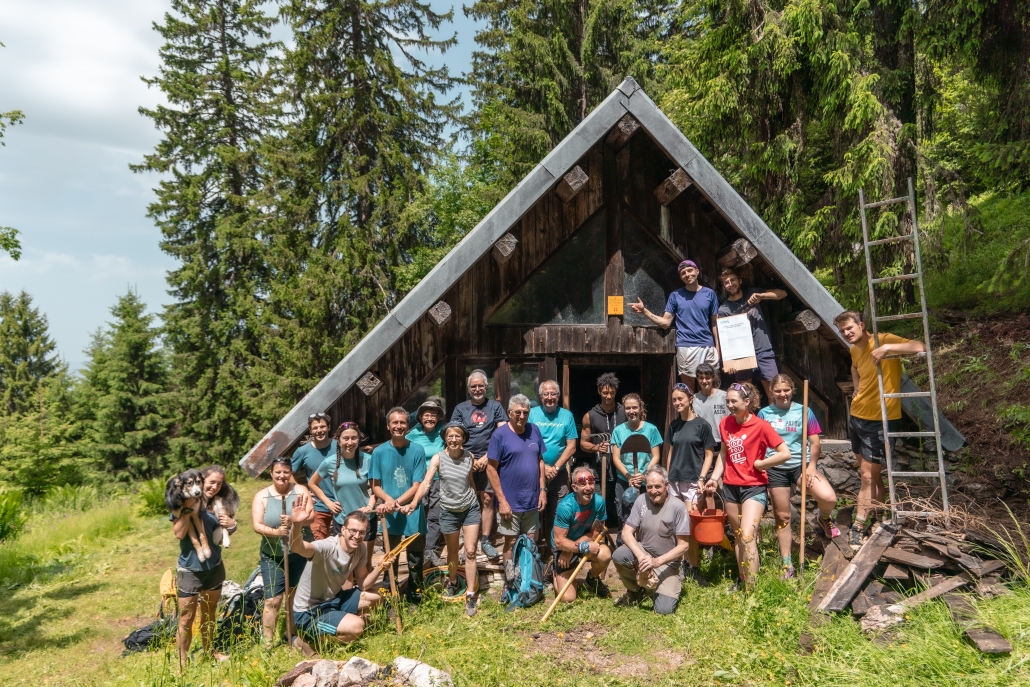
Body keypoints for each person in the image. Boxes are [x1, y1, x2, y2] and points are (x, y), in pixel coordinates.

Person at [834, 310, 926, 546]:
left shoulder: (883, 340)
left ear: (861, 325)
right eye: (842, 331)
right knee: (870, 475)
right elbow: (854, 367)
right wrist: (856, 387)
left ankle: (859, 524)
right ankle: (879, 513)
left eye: (849, 328)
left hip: (881, 419)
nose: (846, 333)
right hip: (857, 417)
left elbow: (920, 346)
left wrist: (887, 349)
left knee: (867, 476)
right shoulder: (854, 349)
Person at [704, 382, 790, 590]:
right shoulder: (725, 423)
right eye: (727, 401)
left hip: (754, 487)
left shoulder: (761, 426)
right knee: (738, 537)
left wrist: (762, 464)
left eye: (734, 401)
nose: (729, 405)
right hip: (730, 487)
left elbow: (784, 453)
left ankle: (752, 591)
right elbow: (723, 454)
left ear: (747, 402)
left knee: (747, 535)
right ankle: (743, 580)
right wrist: (714, 478)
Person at [759, 375, 841, 579]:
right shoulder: (764, 413)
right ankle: (787, 563)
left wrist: (811, 466)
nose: (782, 394)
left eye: (786, 390)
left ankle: (824, 518)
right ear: (771, 391)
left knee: (829, 497)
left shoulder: (804, 411)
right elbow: (759, 443)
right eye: (778, 390)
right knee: (783, 516)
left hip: (800, 465)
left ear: (792, 389)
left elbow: (815, 443)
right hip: (775, 467)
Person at [289, 498, 387, 655]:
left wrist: (380, 567)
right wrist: (297, 524)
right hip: (310, 611)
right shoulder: (327, 547)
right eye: (353, 531)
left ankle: (339, 624)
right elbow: (297, 547)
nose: (357, 536)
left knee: (379, 594)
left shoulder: (360, 549)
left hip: (333, 600)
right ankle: (307, 642)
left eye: (362, 532)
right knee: (358, 627)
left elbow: (363, 584)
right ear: (343, 529)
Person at [410, 422, 482, 616]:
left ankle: (470, 594)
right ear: (445, 439)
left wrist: (475, 499)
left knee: (470, 551)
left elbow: (470, 481)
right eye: (450, 436)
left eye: (458, 436)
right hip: (449, 510)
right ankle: (452, 581)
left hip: (470, 508)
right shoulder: (438, 458)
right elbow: (426, 482)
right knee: (452, 552)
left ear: (463, 439)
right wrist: (414, 502)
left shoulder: (469, 457)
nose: (454, 439)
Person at [171, 467, 236, 665]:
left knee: (209, 614)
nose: (214, 487)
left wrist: (232, 525)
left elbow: (220, 536)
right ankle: (182, 662)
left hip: (214, 567)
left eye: (219, 484)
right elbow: (179, 534)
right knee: (186, 619)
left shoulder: (219, 504)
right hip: (190, 570)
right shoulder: (182, 501)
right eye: (211, 482)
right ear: (201, 481)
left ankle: (209, 653)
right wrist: (187, 508)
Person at [629, 259, 720, 390]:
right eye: (683, 273)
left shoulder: (710, 294)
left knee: (709, 388)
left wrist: (718, 348)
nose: (687, 274)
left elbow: (715, 323)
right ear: (681, 277)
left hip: (708, 345)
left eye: (690, 270)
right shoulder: (675, 296)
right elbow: (665, 323)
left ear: (697, 271)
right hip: (686, 346)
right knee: (688, 390)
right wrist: (644, 311)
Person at [612, 466, 691, 614]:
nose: (653, 491)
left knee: (664, 610)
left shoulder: (678, 507)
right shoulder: (641, 500)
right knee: (619, 555)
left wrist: (656, 562)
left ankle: (659, 586)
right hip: (644, 553)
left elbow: (684, 546)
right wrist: (642, 557)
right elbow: (626, 532)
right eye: (649, 487)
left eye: (657, 486)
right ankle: (635, 590)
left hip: (667, 563)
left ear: (666, 485)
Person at [370, 407, 427, 605]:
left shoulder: (417, 450)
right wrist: (388, 500)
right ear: (388, 426)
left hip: (412, 511)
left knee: (415, 559)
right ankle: (390, 600)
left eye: (402, 422)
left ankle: (415, 597)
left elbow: (417, 485)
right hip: (390, 515)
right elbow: (375, 485)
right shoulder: (379, 452)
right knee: (390, 558)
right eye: (395, 422)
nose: (399, 426)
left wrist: (395, 502)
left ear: (408, 426)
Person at [251, 457, 309, 646]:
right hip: (272, 555)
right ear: (271, 473)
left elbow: (311, 516)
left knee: (294, 595)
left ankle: (290, 634)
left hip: (298, 553)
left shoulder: (300, 491)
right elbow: (257, 526)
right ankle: (267, 644)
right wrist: (277, 532)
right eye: (278, 472)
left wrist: (294, 521)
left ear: (291, 472)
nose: (282, 475)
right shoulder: (262, 496)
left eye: (286, 472)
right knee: (273, 600)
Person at [451, 370, 508, 560]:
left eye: (480, 386)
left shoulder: (495, 407)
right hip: (464, 460)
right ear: (469, 388)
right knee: (465, 500)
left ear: (486, 386)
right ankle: (469, 541)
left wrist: (486, 457)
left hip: (489, 461)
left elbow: (502, 434)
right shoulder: (460, 409)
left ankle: (485, 540)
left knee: (488, 499)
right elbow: (454, 434)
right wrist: (470, 458)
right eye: (473, 386)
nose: (477, 389)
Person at [664, 382, 717, 584]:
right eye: (674, 400)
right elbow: (670, 452)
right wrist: (667, 477)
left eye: (680, 399)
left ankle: (694, 567)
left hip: (693, 481)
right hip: (674, 481)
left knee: (689, 525)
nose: (677, 402)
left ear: (690, 399)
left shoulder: (702, 425)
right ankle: (681, 565)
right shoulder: (673, 426)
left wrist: (702, 478)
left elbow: (709, 455)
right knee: (677, 526)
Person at [485, 394, 547, 567]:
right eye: (518, 412)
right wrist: (502, 501)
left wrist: (543, 491)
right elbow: (490, 469)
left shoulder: (534, 430)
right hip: (510, 502)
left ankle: (529, 577)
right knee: (510, 542)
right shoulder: (500, 435)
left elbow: (540, 461)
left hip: (532, 499)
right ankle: (510, 577)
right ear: (509, 413)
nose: (522, 416)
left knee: (531, 541)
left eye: (525, 412)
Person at [308, 422, 377, 564]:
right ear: (338, 441)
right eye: (346, 438)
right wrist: (328, 503)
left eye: (354, 438)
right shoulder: (329, 463)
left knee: (364, 564)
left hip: (366, 520)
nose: (350, 442)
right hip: (342, 520)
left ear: (359, 439)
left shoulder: (369, 460)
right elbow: (312, 483)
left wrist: (370, 507)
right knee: (344, 565)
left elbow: (377, 489)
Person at [717, 267, 787, 399]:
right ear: (724, 286)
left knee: (774, 392)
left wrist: (762, 296)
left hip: (763, 349)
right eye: (726, 282)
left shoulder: (752, 293)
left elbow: (782, 293)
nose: (730, 284)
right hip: (741, 355)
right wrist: (730, 362)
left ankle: (773, 414)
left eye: (733, 280)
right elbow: (726, 338)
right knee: (745, 396)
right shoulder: (724, 310)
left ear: (740, 280)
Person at [529, 380, 578, 560]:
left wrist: (555, 467)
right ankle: (534, 555)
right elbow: (527, 443)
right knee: (534, 513)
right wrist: (544, 467)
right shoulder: (532, 414)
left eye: (553, 394)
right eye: (546, 394)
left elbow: (571, 446)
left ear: (558, 396)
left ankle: (555, 554)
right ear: (541, 396)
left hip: (559, 474)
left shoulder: (567, 416)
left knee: (559, 512)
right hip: (535, 472)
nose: (549, 397)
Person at [549, 465, 611, 602]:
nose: (588, 487)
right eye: (583, 484)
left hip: (583, 543)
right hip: (563, 547)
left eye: (591, 483)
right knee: (567, 598)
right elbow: (559, 541)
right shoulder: (565, 506)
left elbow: (595, 533)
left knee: (605, 554)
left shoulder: (599, 502)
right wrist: (569, 550)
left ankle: (592, 578)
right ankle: (553, 572)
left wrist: (577, 548)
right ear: (574, 487)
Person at [579, 372, 626, 531]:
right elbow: (583, 443)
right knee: (599, 506)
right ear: (599, 391)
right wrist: (597, 447)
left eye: (612, 392)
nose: (609, 396)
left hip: (622, 470)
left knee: (621, 505)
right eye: (605, 392)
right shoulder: (590, 416)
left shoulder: (624, 412)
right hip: (600, 470)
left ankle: (621, 536)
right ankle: (598, 538)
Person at [610, 393, 663, 529]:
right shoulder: (618, 431)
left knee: (647, 516)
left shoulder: (651, 429)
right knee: (624, 516)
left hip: (647, 481)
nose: (631, 411)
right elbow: (616, 458)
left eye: (634, 407)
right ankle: (624, 540)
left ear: (640, 408)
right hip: (624, 480)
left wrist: (644, 474)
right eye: (628, 408)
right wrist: (629, 476)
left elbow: (656, 456)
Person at [406, 399, 446, 568]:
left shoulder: (443, 432)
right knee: (418, 514)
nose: (430, 418)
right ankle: (417, 550)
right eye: (426, 415)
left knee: (435, 516)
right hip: (419, 481)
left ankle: (431, 550)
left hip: (438, 480)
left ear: (438, 417)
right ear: (420, 417)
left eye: (433, 415)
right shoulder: (413, 434)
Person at [291, 412, 338, 540]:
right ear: (310, 430)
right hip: (318, 506)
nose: (319, 430)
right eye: (315, 428)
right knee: (318, 545)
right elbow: (288, 474)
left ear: (329, 427)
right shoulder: (302, 451)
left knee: (344, 545)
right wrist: (302, 491)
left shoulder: (339, 446)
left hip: (341, 503)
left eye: (322, 426)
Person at [693, 363, 729, 451]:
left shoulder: (724, 396)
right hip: (703, 444)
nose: (704, 381)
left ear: (713, 377)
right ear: (697, 379)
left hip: (723, 442)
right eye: (701, 378)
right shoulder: (694, 399)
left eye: (707, 378)